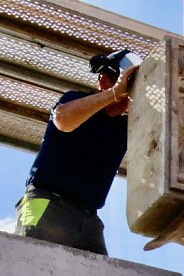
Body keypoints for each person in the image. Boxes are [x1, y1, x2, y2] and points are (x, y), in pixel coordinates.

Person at [14, 50, 139, 255]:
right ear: (104, 80)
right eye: (124, 84)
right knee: (29, 266)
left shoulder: (123, 128)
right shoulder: (75, 100)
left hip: (88, 219)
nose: (127, 94)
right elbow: (63, 120)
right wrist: (114, 93)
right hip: (47, 203)